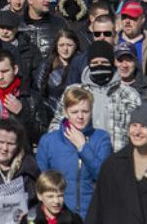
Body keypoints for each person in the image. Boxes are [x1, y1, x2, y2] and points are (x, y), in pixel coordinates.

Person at [50, 41, 142, 152]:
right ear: (89, 64)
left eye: (104, 62)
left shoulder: (129, 95)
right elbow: (56, 124)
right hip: (80, 158)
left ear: (112, 63)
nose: (99, 65)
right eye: (95, 62)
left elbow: (138, 131)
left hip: (116, 159)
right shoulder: (74, 91)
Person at [36, 87, 111, 217]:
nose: (80, 117)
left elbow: (104, 177)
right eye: (74, 112)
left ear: (91, 111)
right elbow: (41, 182)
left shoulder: (101, 138)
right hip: (60, 214)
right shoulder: (49, 141)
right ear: (65, 112)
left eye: (85, 111)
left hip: (91, 213)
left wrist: (83, 147)